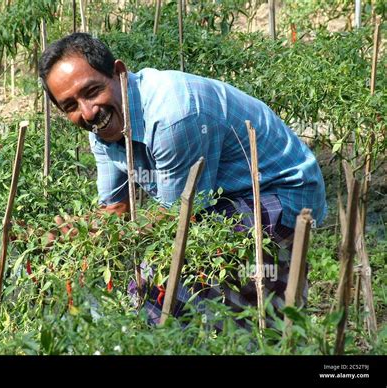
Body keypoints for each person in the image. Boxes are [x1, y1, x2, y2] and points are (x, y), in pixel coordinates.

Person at [39, 33, 327, 327]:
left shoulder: (172, 116)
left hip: (278, 193)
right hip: (218, 199)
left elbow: (176, 220)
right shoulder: (100, 128)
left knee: (166, 290)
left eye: (91, 91)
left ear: (119, 73)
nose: (87, 112)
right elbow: (116, 209)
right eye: (70, 106)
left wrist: (101, 240)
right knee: (166, 292)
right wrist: (70, 236)